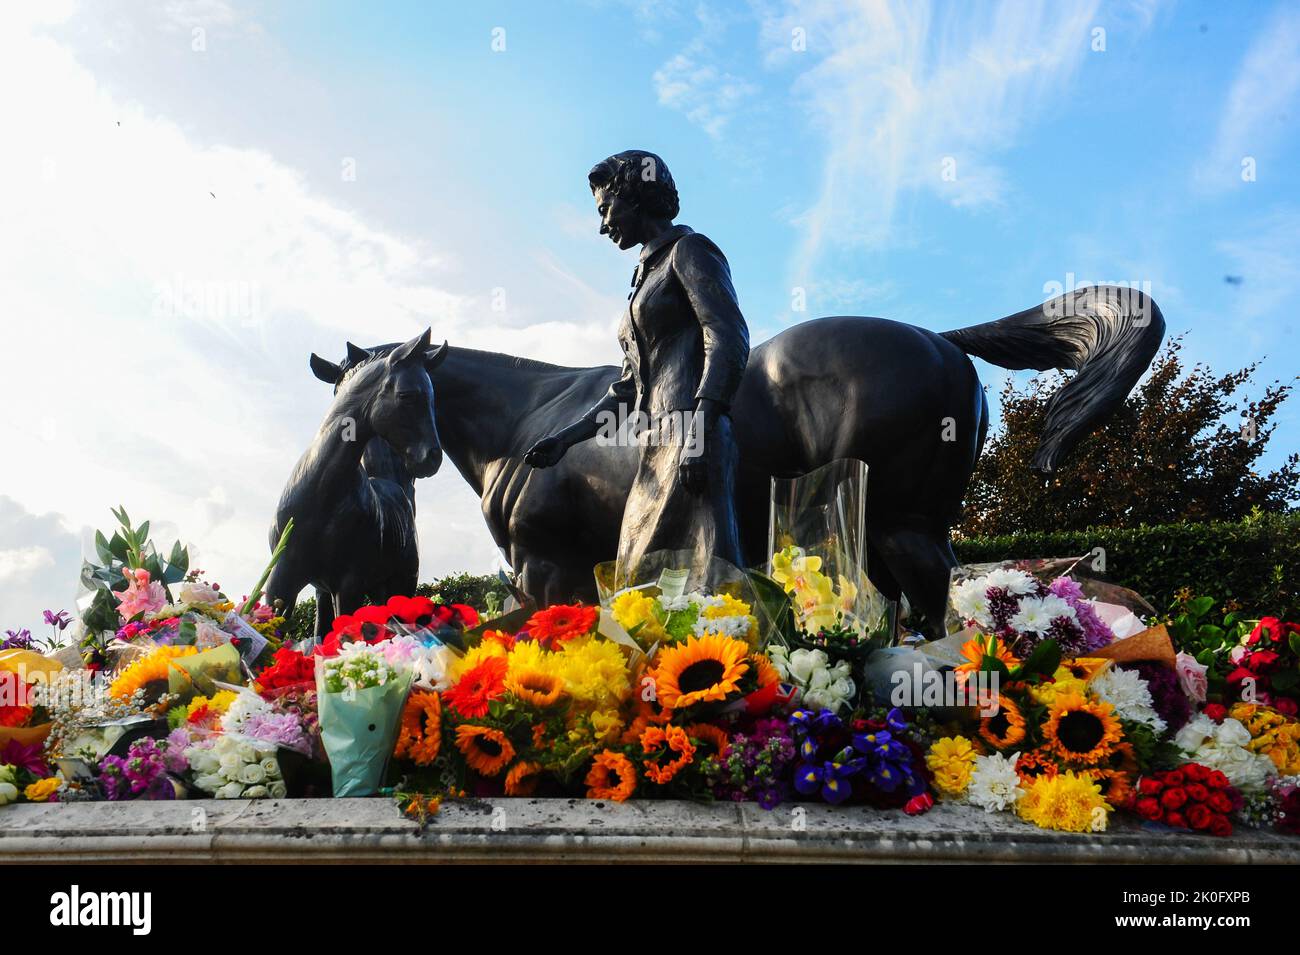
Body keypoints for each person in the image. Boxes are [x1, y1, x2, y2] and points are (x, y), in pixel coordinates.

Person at [524, 150, 749, 577]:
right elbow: (628, 388)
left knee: (705, 577)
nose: (602, 224)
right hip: (656, 445)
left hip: (691, 435)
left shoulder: (690, 251)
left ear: (635, 196)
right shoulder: (645, 276)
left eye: (606, 209)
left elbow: (727, 336)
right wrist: (566, 439)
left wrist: (698, 436)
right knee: (636, 578)